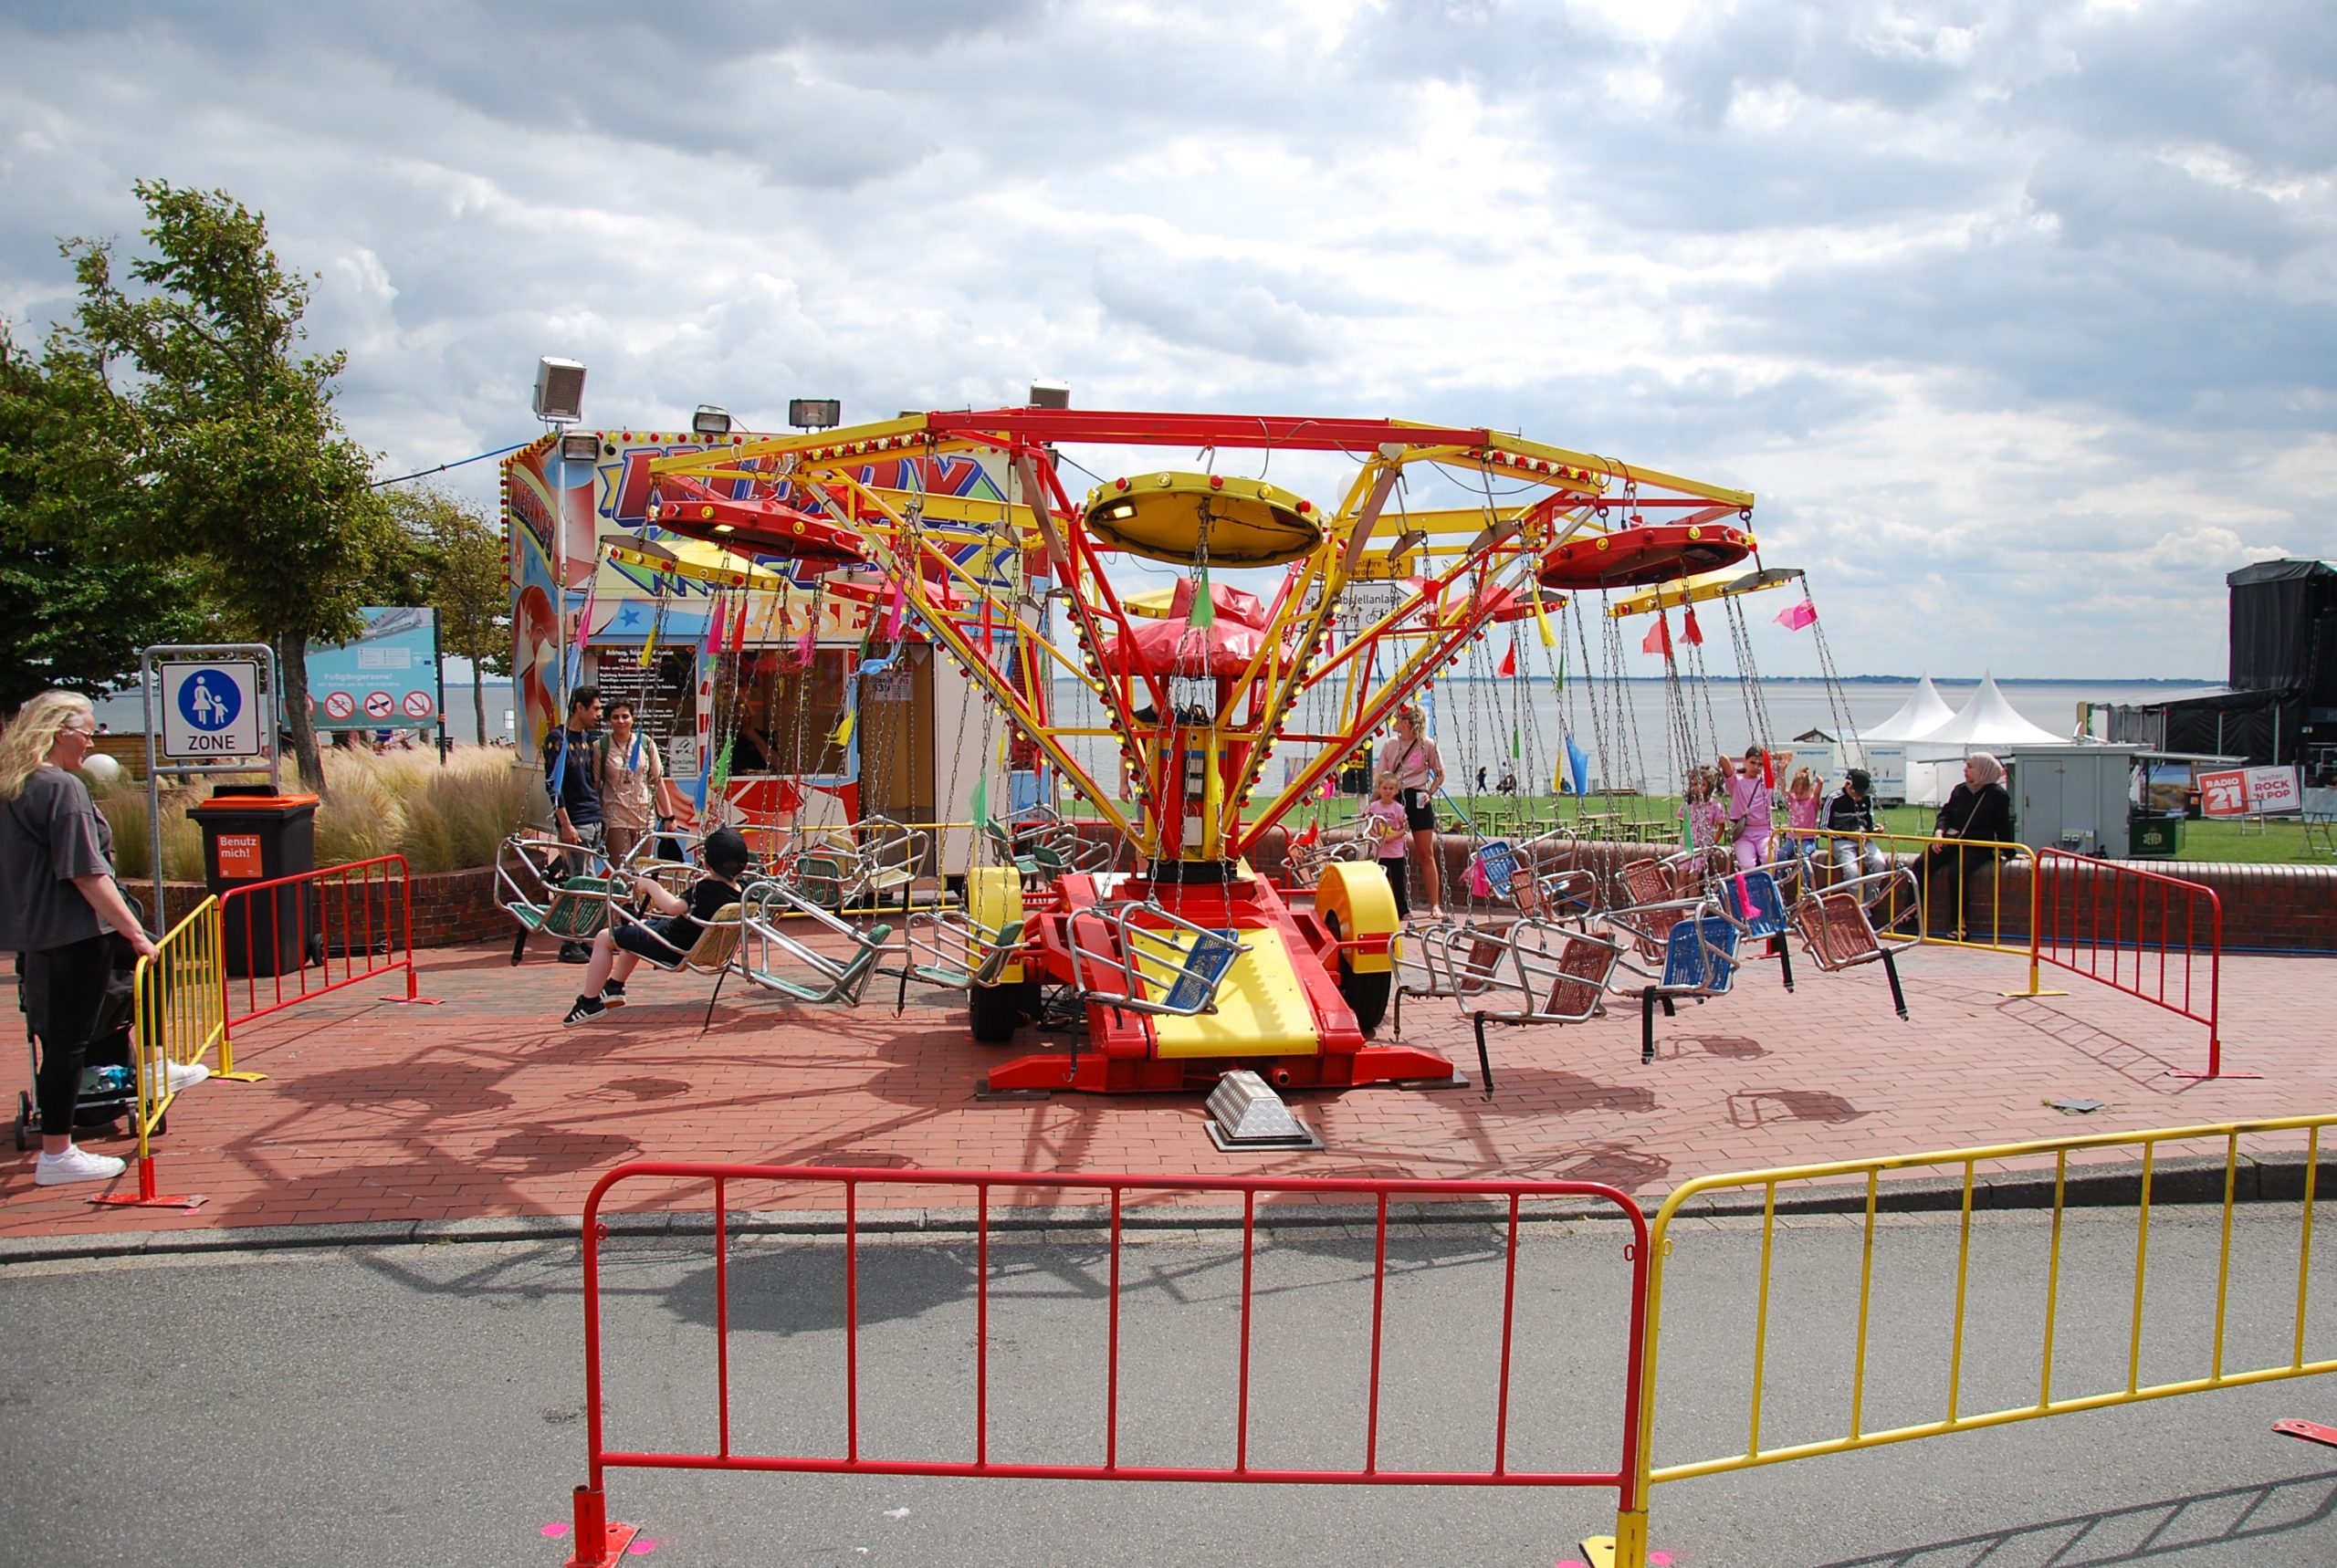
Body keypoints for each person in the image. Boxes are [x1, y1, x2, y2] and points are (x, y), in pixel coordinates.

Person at [0, 691, 162, 1186]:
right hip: (77, 929)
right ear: (57, 731)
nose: (93, 741)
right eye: (88, 731)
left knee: (61, 1040)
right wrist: (133, 933)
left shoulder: (15, 784)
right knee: (71, 1042)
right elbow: (86, 873)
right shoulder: (61, 786)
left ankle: (155, 1067)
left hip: (38, 931)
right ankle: (58, 1153)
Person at [562, 826, 751, 1025]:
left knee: (604, 937)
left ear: (706, 864)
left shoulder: (704, 889)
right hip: (694, 942)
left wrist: (652, 886)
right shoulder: (744, 891)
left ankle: (589, 1002)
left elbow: (673, 907)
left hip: (673, 947)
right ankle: (614, 986)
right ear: (744, 866)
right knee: (638, 926)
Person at [1897, 752, 2015, 938]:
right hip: (1951, 841)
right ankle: (1911, 914)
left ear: (1983, 770)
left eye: (1970, 766)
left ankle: (1960, 925)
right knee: (1920, 865)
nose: (1965, 770)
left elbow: (2002, 827)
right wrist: (1939, 833)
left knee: (1957, 873)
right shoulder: (1960, 790)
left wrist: (2010, 854)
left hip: (1976, 846)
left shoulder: (1997, 795)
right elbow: (1946, 814)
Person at [542, 687, 606, 962]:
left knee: (589, 883)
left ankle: (583, 936)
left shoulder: (587, 740)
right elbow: (553, 786)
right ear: (579, 707)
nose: (599, 714)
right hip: (576, 821)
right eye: (595, 708)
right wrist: (565, 824)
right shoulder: (558, 740)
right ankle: (569, 942)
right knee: (577, 883)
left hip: (592, 817)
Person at [596, 699, 696, 865]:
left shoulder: (646, 743)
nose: (621, 721)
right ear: (609, 720)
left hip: (644, 817)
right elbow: (596, 784)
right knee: (622, 870)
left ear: (633, 718)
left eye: (625, 716)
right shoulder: (600, 747)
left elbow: (658, 781)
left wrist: (669, 817)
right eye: (615, 717)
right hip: (615, 817)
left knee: (643, 869)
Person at [1380, 706, 1446, 918]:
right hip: (1394, 796)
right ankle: (1394, 904)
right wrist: (1373, 805)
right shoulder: (1390, 745)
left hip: (1418, 796)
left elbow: (1440, 773)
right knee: (1389, 853)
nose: (1394, 722)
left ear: (1406, 723)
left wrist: (1430, 792)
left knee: (1426, 852)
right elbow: (1380, 776)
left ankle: (1435, 905)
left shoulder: (1427, 745)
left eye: (1397, 719)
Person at [1358, 774, 1413, 918]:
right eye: (1385, 788)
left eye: (1391, 788)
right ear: (1379, 789)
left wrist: (1391, 838)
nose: (1388, 791)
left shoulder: (1398, 808)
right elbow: (1368, 823)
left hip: (1395, 852)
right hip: (1380, 852)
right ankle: (1379, 908)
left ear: (1396, 791)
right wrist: (1377, 837)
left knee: (1398, 882)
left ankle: (1402, 910)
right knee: (1380, 882)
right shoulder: (1373, 807)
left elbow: (1405, 828)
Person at [1823, 768, 1888, 883]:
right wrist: (1847, 836)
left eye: (1863, 793)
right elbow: (1823, 829)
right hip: (1842, 842)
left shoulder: (1867, 798)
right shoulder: (1833, 798)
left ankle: (1871, 894)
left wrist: (1875, 829)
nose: (1861, 797)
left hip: (1864, 840)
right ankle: (1856, 895)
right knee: (1852, 872)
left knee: (1879, 863)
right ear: (1848, 785)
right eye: (1858, 793)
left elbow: (1869, 822)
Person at [1721, 747, 1775, 873]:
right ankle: (1751, 884)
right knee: (1748, 865)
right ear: (1745, 761)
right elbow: (1723, 759)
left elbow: (1787, 756)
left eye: (1760, 764)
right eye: (1752, 762)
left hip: (1764, 831)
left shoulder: (1766, 782)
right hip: (1744, 833)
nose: (1756, 767)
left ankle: (1767, 883)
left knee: (1768, 859)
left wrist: (1766, 755)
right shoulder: (1736, 782)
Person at [1780, 766, 1823, 863]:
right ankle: (1780, 873)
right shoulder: (1793, 800)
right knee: (1782, 854)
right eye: (1796, 793)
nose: (1798, 796)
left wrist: (1820, 783)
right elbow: (1783, 789)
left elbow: (1817, 794)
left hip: (1807, 838)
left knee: (1803, 855)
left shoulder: (1812, 802)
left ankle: (1806, 874)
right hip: (1792, 838)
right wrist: (1782, 772)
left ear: (1811, 790)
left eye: (1802, 793)